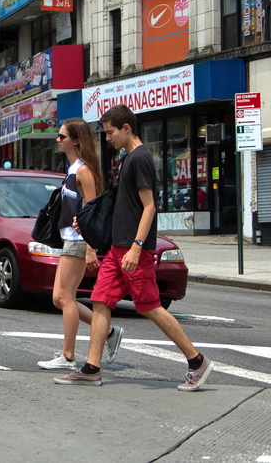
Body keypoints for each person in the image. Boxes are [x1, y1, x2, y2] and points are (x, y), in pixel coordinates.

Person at [56, 105, 215, 390]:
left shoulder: (140, 158)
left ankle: (197, 361)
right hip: (118, 248)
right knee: (101, 300)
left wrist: (137, 247)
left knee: (151, 307)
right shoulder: (128, 158)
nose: (107, 138)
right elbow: (124, 206)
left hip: (132, 249)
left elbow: (149, 207)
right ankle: (92, 367)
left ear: (126, 128)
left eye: (110, 132)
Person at [37, 118, 124, 371]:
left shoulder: (83, 170)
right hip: (68, 239)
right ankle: (107, 331)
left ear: (76, 140)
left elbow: (92, 210)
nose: (58, 140)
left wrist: (89, 247)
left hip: (78, 241)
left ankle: (68, 355)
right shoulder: (73, 169)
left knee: (65, 298)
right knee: (59, 298)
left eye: (62, 136)